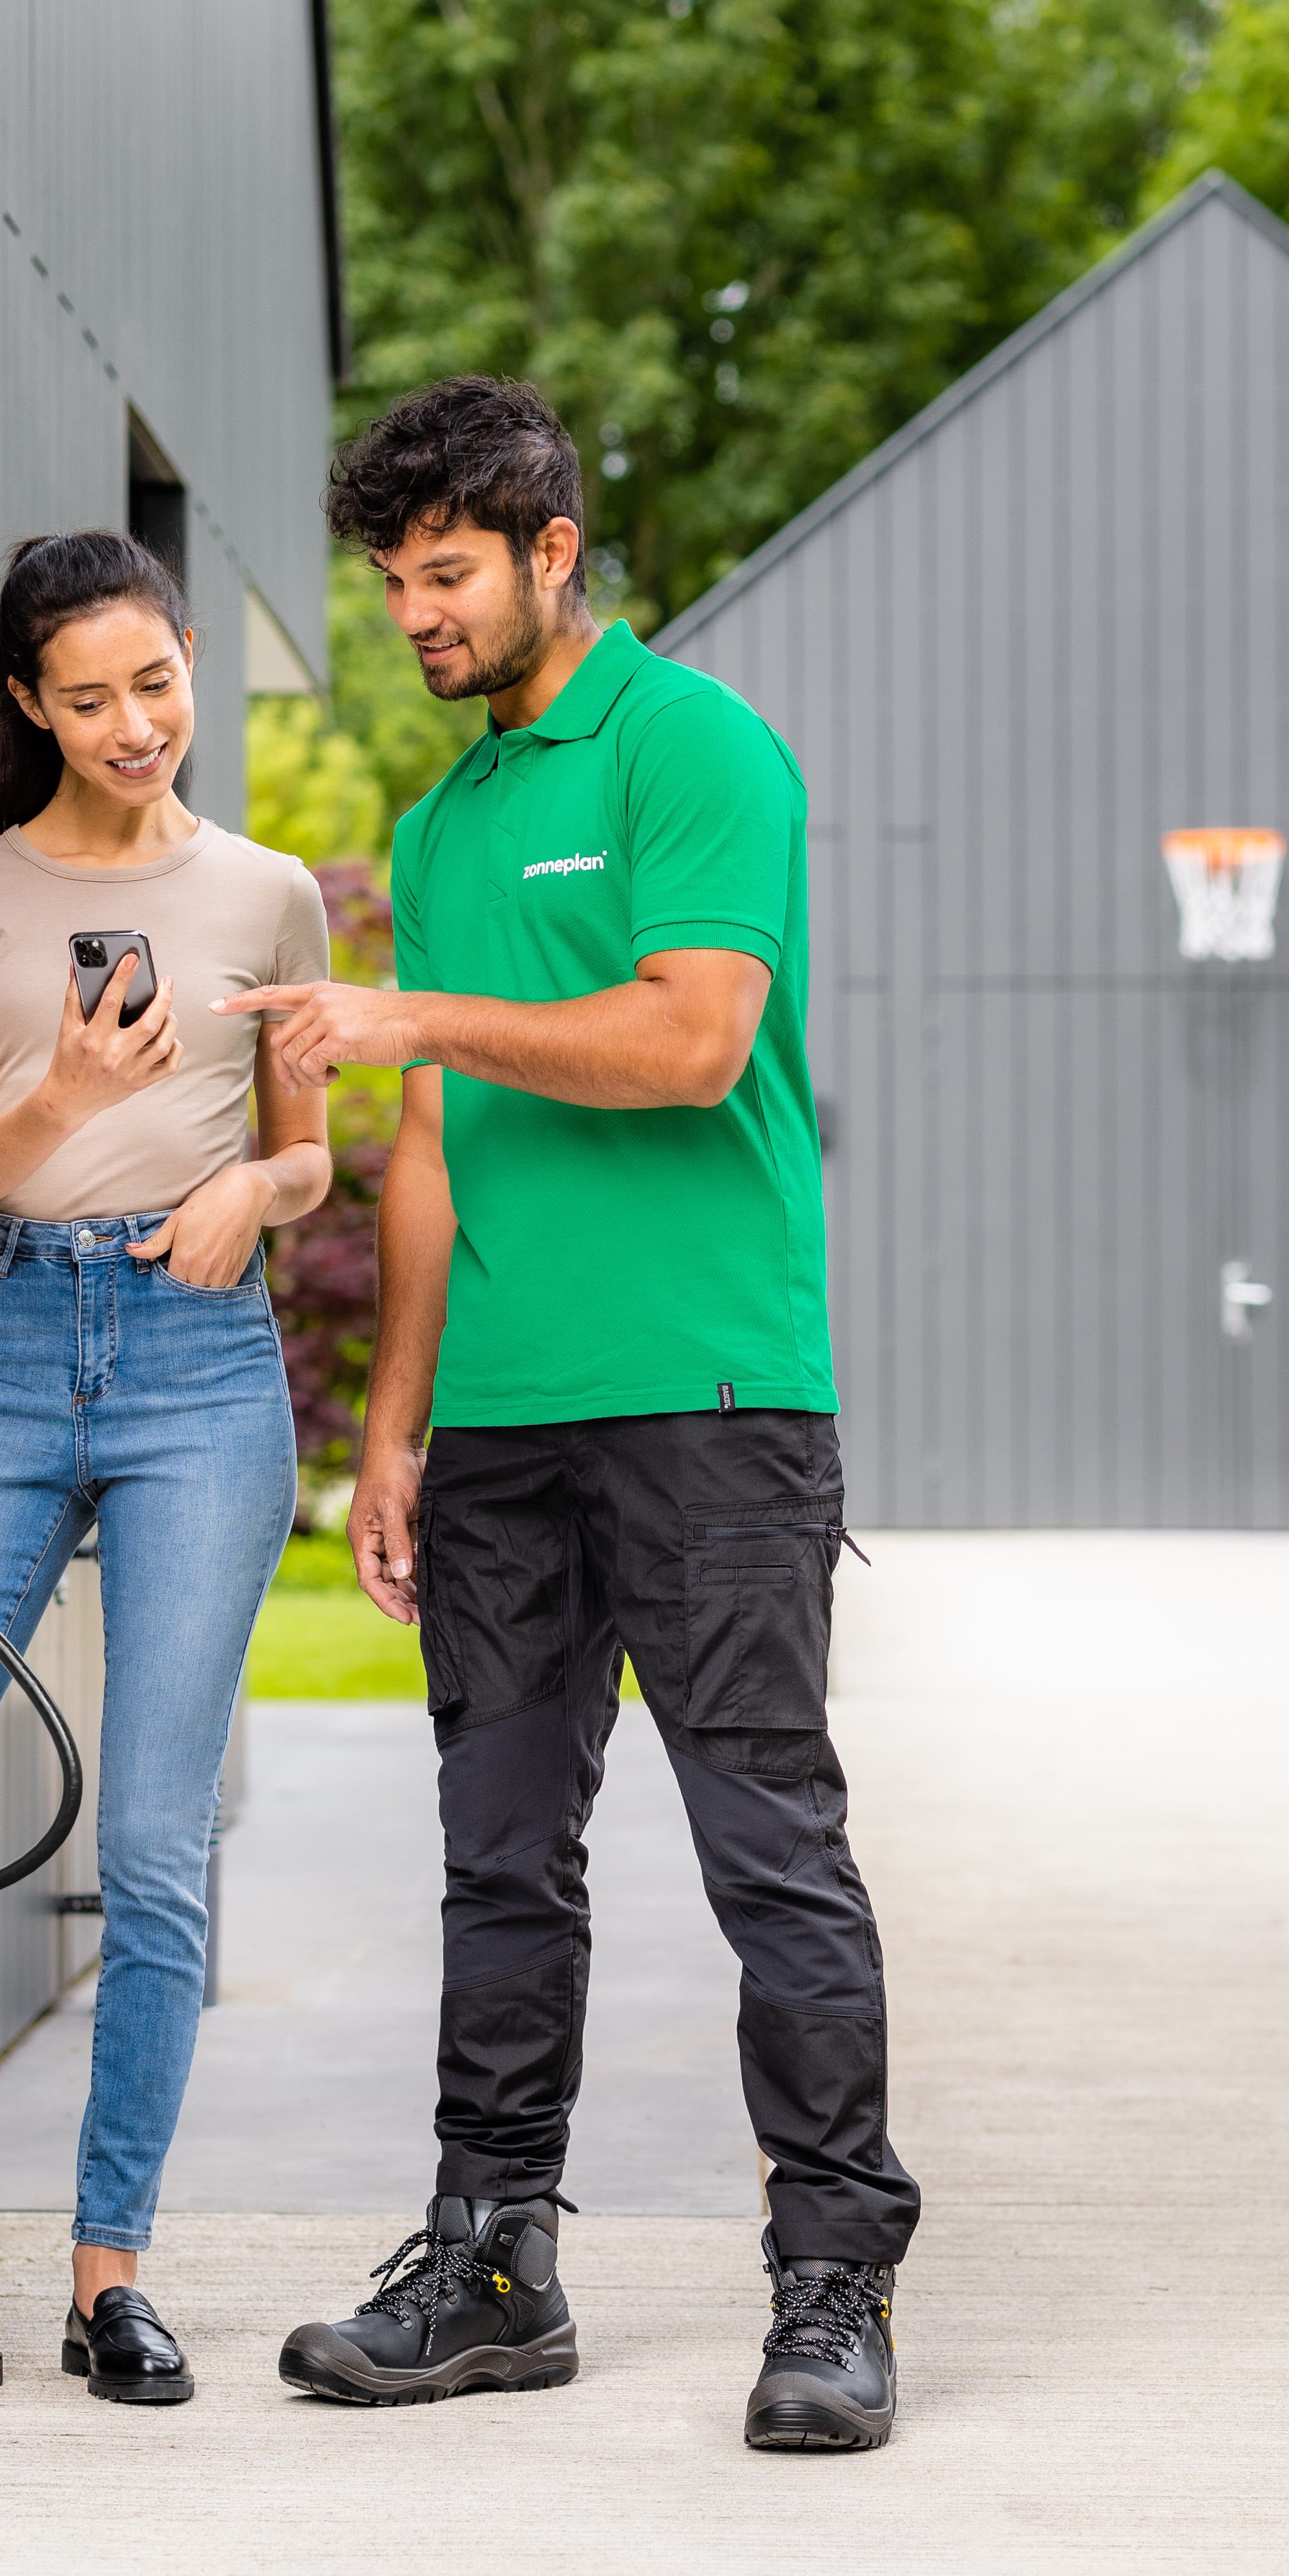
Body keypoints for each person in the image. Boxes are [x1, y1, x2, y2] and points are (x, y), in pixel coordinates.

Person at [225, 377, 918, 2455]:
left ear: (552, 554)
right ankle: (493, 2258)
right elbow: (429, 1143)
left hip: (709, 1401)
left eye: (444, 574)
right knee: (500, 1860)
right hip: (507, 1430)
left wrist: (413, 1011)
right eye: (390, 582)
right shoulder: (438, 831)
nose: (413, 616)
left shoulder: (696, 750)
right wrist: (395, 1429)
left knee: (767, 1850)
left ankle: (833, 2284)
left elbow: (697, 1043)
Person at [0, 528, 330, 2424]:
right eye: (91, 696)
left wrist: (246, 1189)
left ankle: (111, 2267)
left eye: (160, 683)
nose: (134, 724)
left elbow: (311, 1165)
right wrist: (80, 1100)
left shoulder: (275, 899)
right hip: (0, 1357)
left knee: (152, 1846)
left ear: (193, 661)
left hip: (202, 1368)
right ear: (29, 701)